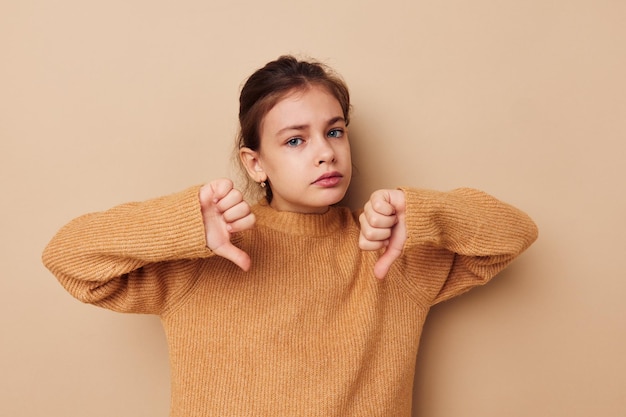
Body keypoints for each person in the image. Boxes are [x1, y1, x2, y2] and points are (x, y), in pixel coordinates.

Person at [42, 55, 538, 416]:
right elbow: (68, 257)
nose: (325, 153)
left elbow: (516, 233)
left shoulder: (390, 253)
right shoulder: (203, 255)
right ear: (254, 163)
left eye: (335, 131)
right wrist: (183, 224)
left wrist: (428, 216)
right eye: (295, 140)